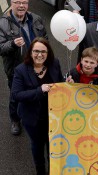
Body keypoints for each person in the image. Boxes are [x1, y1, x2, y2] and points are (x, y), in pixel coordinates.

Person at [11, 38, 65, 175]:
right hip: (32, 117)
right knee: (37, 145)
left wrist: (66, 84)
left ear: (48, 53)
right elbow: (17, 95)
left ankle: (53, 170)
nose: (39, 55)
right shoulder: (21, 70)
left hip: (53, 116)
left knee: (52, 145)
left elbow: (60, 83)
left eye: (43, 51)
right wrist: (39, 91)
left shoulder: (54, 64)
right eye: (36, 51)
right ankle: (40, 171)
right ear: (30, 52)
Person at [0, 0, 47, 136]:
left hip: (37, 66)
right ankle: (15, 120)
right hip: (16, 69)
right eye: (18, 3)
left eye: (24, 3)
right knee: (16, 97)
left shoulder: (36, 18)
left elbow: (45, 38)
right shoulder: (3, 23)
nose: (21, 6)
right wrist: (13, 44)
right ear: (11, 4)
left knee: (38, 92)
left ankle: (35, 117)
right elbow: (1, 48)